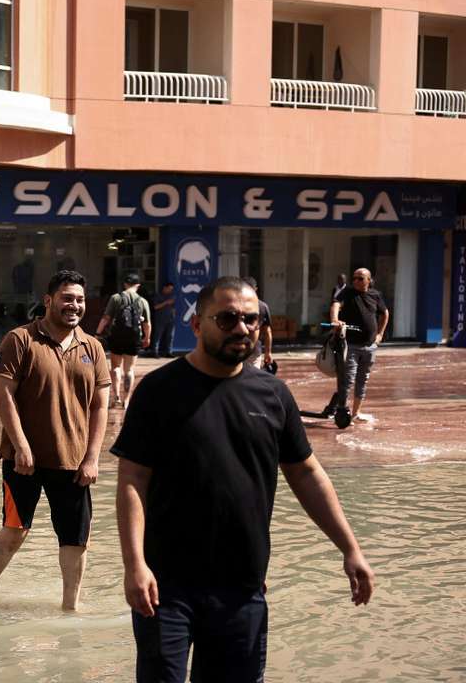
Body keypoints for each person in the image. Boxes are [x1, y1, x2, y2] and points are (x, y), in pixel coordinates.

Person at [113, 276, 375, 682]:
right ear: (198, 325)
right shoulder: (159, 390)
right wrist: (134, 565)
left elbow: (306, 474)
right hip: (166, 586)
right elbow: (132, 478)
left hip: (242, 587)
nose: (242, 329)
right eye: (228, 318)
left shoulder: (273, 395)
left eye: (251, 320)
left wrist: (350, 548)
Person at [0, 270, 111, 610]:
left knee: (76, 539)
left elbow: (100, 405)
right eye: (67, 298)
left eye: (79, 299)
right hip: (24, 462)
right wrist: (20, 445)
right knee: (14, 531)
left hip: (74, 461)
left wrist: (93, 458)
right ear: (49, 301)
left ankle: (70, 608)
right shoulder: (20, 339)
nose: (74, 305)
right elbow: (3, 394)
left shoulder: (92, 347)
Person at [328, 268, 389, 423]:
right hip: (351, 345)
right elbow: (335, 304)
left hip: (370, 346)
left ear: (369, 280)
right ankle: (342, 412)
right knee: (347, 379)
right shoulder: (347, 293)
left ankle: (356, 413)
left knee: (363, 380)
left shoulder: (375, 295)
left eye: (360, 279)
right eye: (354, 278)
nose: (355, 281)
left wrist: (380, 335)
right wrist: (335, 319)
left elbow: (385, 313)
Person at [96, 273, 151, 408]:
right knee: (129, 369)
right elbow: (147, 324)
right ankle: (126, 400)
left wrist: (98, 333)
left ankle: (116, 397)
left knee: (115, 367)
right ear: (138, 285)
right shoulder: (142, 301)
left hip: (117, 336)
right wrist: (147, 337)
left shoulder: (116, 298)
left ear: (125, 284)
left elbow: (106, 318)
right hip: (133, 337)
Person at [243, 277, 274, 370]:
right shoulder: (262, 306)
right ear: (255, 288)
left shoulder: (234, 304)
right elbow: (267, 332)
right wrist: (268, 352)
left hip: (239, 349)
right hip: (253, 351)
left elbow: (267, 332)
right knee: (252, 380)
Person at [149, 281, 176, 358]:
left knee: (170, 336)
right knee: (158, 336)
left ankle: (169, 352)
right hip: (160, 319)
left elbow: (174, 306)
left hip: (171, 319)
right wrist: (166, 302)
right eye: (169, 289)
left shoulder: (172, 296)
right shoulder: (158, 295)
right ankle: (155, 352)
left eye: (171, 289)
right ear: (164, 288)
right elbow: (155, 307)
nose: (170, 291)